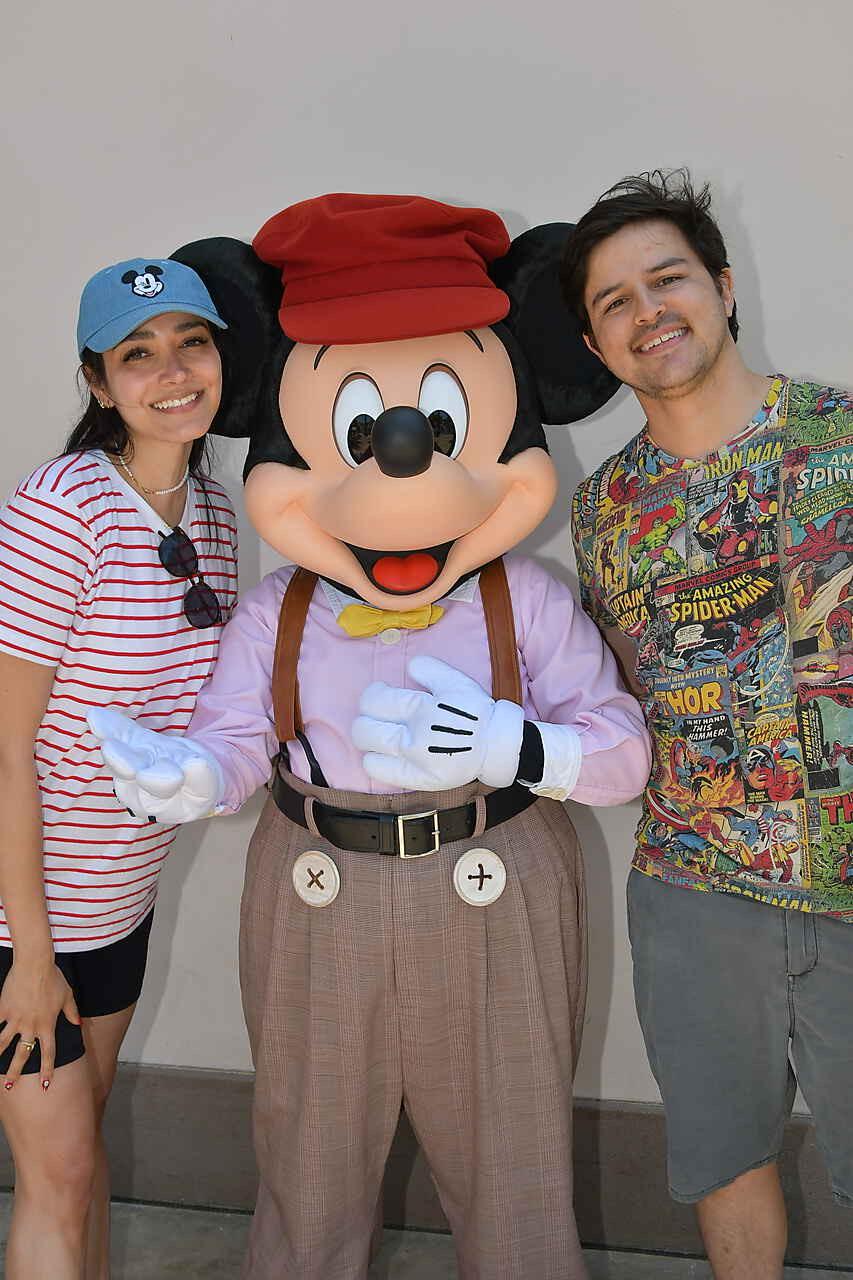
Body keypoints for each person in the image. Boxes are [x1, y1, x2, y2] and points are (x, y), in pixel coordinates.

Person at [87, 195, 651, 1280]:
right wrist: (192, 774)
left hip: (496, 880)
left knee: (515, 1160)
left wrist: (516, 747)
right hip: (316, 887)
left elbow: (622, 750)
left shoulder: (526, 598)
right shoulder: (278, 609)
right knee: (309, 1157)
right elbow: (234, 734)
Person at [564, 170, 853, 1280]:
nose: (648, 312)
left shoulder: (839, 437)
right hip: (693, 890)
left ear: (723, 288)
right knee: (724, 1159)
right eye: (615, 302)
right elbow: (621, 686)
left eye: (668, 279)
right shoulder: (603, 511)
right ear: (595, 345)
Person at [0, 258, 238, 1279]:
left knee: (81, 1154)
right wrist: (30, 958)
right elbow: (5, 747)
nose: (172, 371)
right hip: (24, 919)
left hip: (117, 903)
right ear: (98, 383)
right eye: (137, 354)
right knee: (55, 1179)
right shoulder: (63, 509)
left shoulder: (214, 511)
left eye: (192, 342)